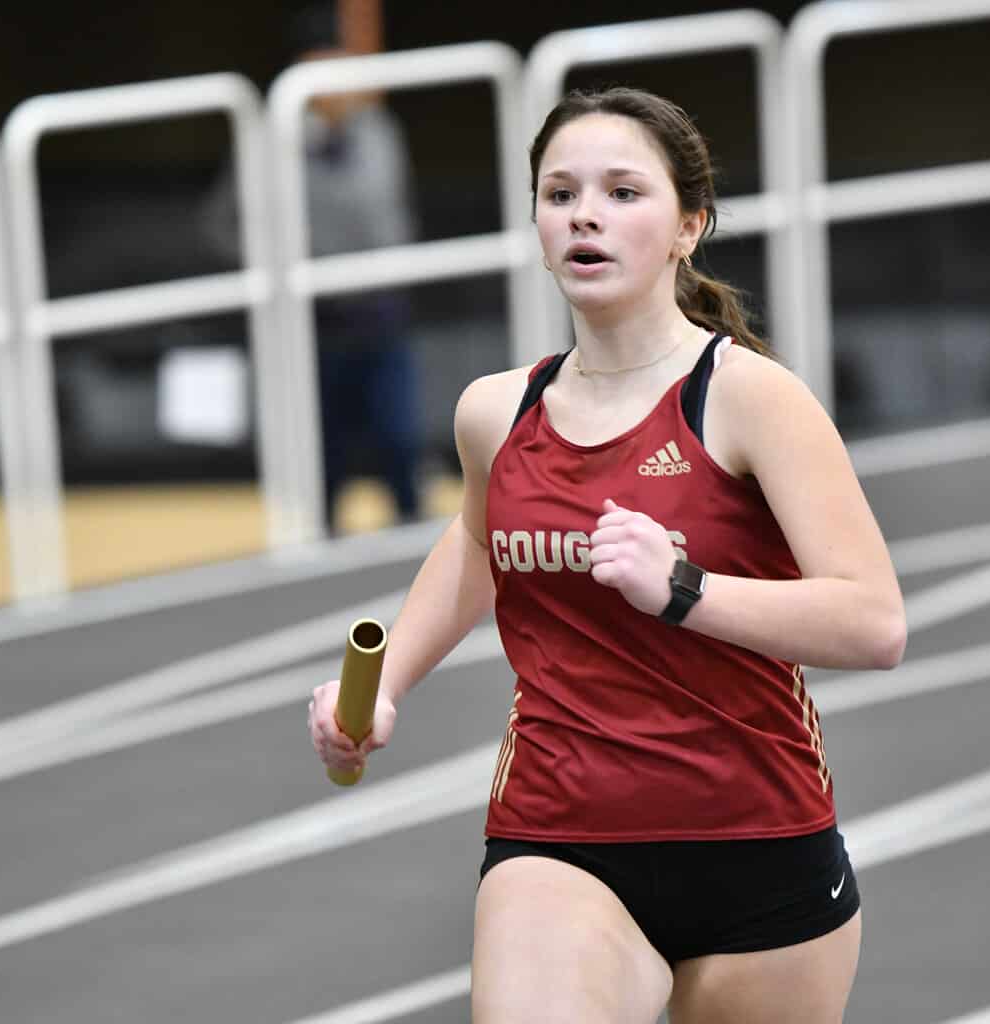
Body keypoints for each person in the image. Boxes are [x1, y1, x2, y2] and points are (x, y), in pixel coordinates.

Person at [308, 86, 907, 1022]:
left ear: (688, 227)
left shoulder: (752, 400)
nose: (584, 212)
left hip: (757, 842)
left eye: (624, 192)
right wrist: (386, 687)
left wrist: (685, 590)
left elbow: (874, 624)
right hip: (558, 833)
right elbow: (477, 538)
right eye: (560, 193)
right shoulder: (495, 412)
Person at [198, 0, 423, 534]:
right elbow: (219, 226)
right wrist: (280, 265)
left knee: (401, 445)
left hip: (383, 316)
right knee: (324, 459)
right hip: (314, 327)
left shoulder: (378, 131)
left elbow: (398, 210)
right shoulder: (270, 142)